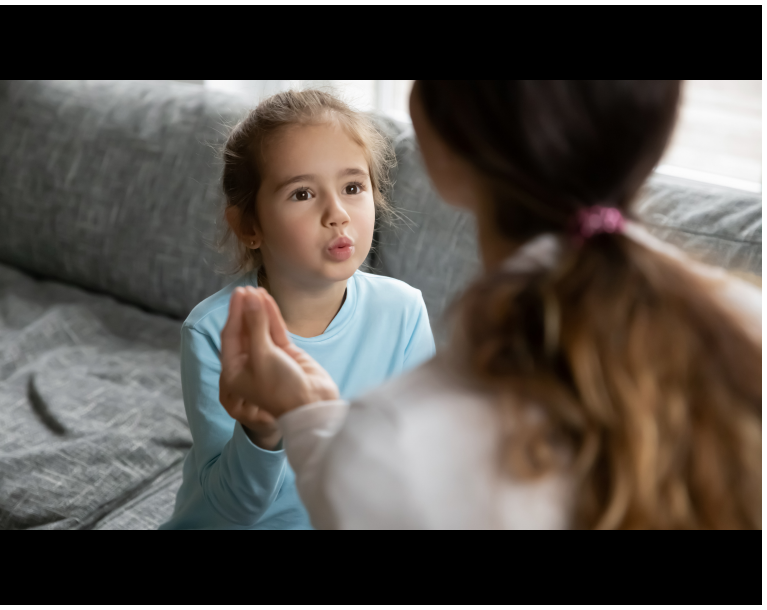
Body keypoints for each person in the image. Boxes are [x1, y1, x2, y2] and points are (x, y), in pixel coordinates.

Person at [221, 81, 762, 529]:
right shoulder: (745, 328)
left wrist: (307, 419)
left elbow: (364, 488)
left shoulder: (390, 447)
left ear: (441, 150)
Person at [161, 90, 435, 530]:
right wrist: (262, 433)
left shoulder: (403, 311)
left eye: (352, 187)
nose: (337, 213)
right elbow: (231, 509)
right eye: (303, 193)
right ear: (250, 226)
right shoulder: (214, 332)